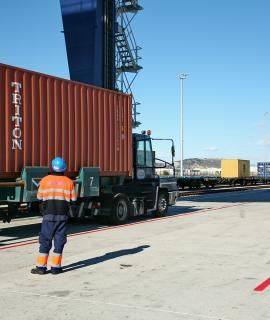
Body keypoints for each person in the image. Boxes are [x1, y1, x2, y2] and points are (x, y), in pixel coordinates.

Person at [31, 157, 76, 275]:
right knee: (59, 241)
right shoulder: (69, 182)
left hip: (48, 216)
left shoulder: (45, 180)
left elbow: (39, 197)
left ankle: (41, 267)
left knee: (45, 240)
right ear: (64, 168)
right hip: (62, 216)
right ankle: (56, 268)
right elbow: (73, 199)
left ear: (52, 167)